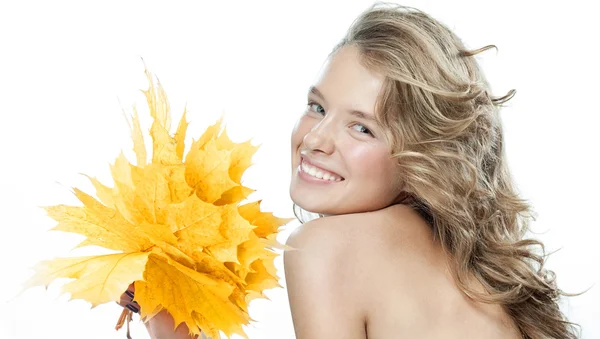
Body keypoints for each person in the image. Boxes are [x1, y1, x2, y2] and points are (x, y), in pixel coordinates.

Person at [119, 3, 578, 338]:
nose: (316, 138)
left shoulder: (324, 248)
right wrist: (174, 324)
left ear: (422, 158)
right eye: (317, 106)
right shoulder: (466, 275)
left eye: (362, 128)